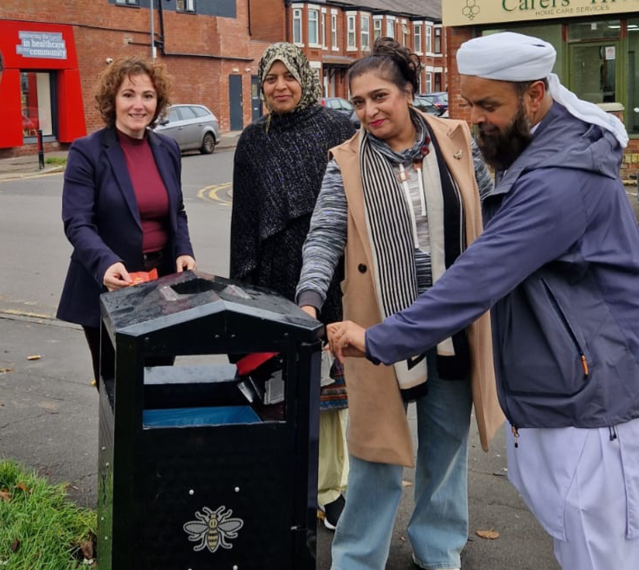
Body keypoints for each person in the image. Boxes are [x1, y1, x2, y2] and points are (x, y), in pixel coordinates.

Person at [327, 32, 639, 570]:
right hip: (569, 382)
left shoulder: (557, 176)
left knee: (598, 549)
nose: (475, 119)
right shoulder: (540, 150)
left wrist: (378, 338)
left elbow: (478, 274)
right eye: (469, 102)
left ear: (536, 95)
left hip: (591, 394)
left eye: (490, 105)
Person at [296, 38, 504, 570]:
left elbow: (492, 213)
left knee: (445, 445)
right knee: (374, 452)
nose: (369, 111)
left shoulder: (457, 141)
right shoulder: (346, 161)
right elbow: (324, 237)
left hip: (452, 322)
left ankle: (438, 548)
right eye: (357, 103)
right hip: (377, 327)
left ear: (409, 92)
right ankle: (358, 557)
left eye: (379, 96)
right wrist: (310, 302)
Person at [229, 42, 356, 531]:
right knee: (276, 388)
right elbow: (244, 219)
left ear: (306, 78)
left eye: (288, 76)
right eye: (270, 78)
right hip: (271, 280)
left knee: (328, 394)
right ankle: (285, 481)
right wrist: (242, 285)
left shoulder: (336, 129)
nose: (280, 86)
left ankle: (330, 490)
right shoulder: (251, 142)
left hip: (328, 276)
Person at [57, 57, 196, 385]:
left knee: (159, 387)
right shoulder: (87, 151)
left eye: (147, 96)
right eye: (128, 95)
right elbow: (77, 221)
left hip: (163, 289)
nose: (139, 105)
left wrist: (184, 250)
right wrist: (105, 264)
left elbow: (177, 211)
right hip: (111, 288)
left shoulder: (167, 149)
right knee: (119, 396)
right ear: (112, 100)